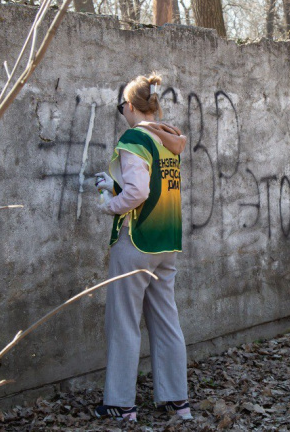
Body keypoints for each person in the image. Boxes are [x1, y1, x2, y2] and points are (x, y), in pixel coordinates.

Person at [92, 73, 191, 422]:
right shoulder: (169, 138)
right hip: (166, 243)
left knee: (123, 323)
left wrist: (109, 204)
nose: (123, 113)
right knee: (166, 321)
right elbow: (154, 182)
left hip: (135, 242)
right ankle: (178, 402)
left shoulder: (134, 138)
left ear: (130, 106)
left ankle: (121, 403)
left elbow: (138, 193)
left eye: (122, 107)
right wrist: (116, 183)